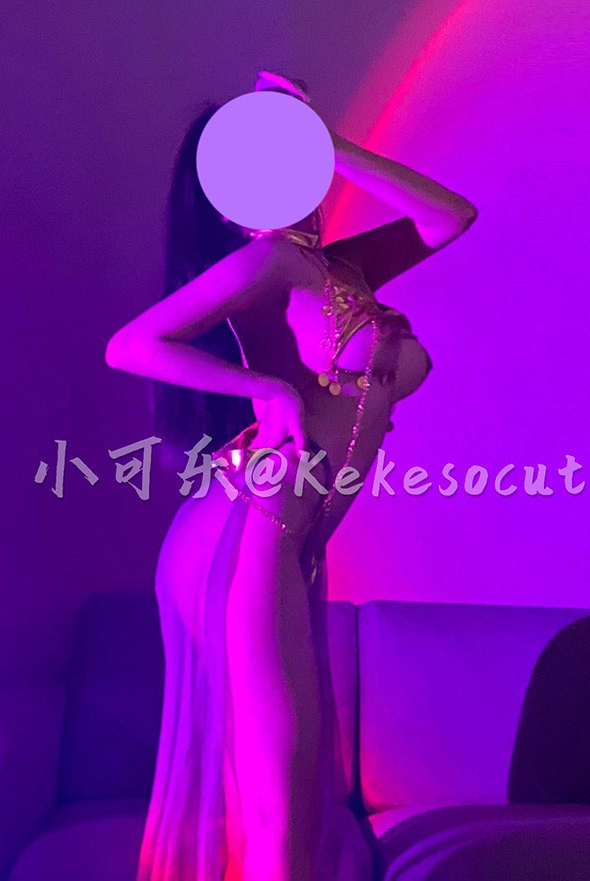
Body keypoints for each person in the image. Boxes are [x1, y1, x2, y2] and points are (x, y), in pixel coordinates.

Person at [105, 71, 477, 881]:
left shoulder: (343, 268)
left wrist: (329, 144)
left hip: (291, 535)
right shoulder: (265, 261)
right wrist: (268, 390)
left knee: (291, 800)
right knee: (276, 806)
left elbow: (450, 216)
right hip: (249, 526)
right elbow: (130, 345)